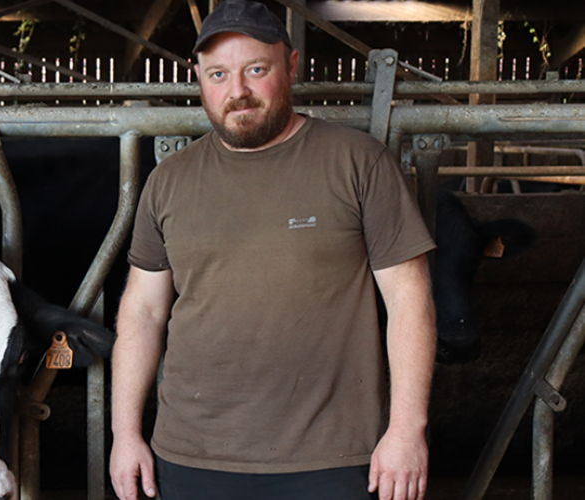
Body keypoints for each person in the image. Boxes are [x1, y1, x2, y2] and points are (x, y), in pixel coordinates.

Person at [108, 1, 437, 500]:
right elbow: (143, 311)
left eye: (255, 70)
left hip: (333, 459)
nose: (236, 91)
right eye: (218, 74)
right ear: (199, 80)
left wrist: (407, 431)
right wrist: (125, 433)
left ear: (291, 66)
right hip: (190, 454)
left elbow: (409, 300)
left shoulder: (359, 163)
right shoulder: (169, 181)